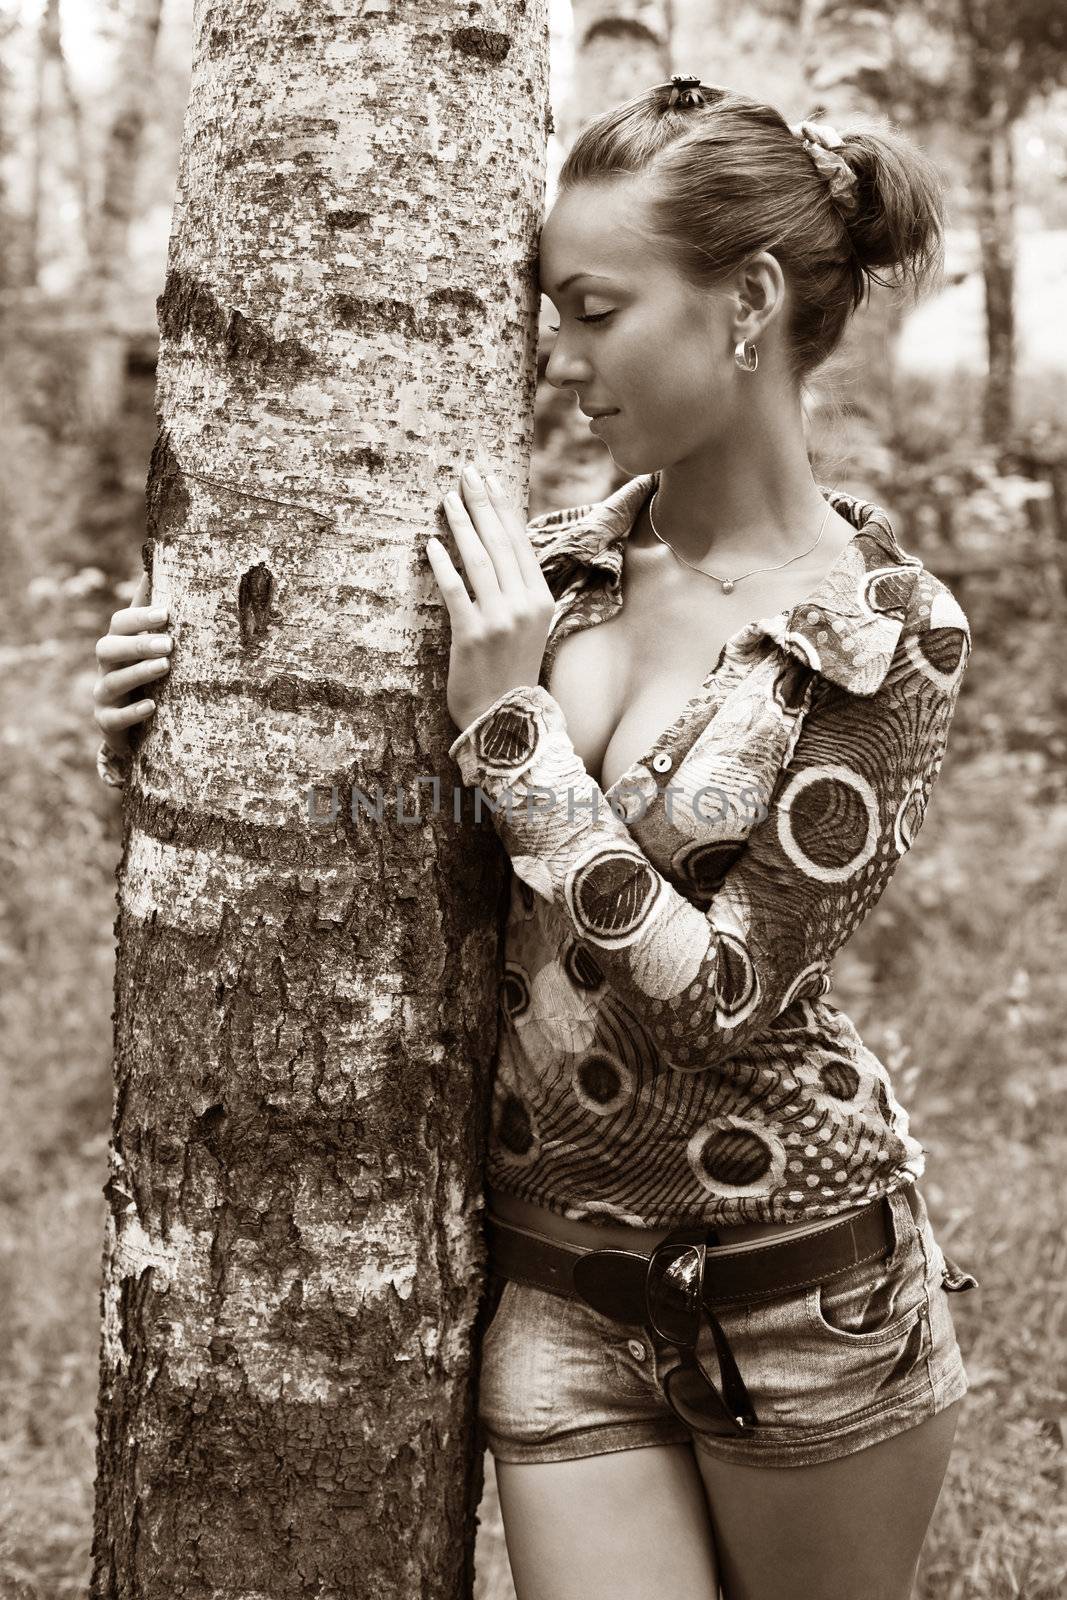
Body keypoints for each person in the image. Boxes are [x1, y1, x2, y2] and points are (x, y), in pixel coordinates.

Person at [91, 73, 980, 1600]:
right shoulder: (544, 580)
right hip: (554, 1289)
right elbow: (404, 860)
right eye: (545, 310)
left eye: (592, 308)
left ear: (747, 298)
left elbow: (722, 990)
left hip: (798, 1289)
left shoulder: (886, 632)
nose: (553, 357)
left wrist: (513, 734)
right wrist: (166, 748)